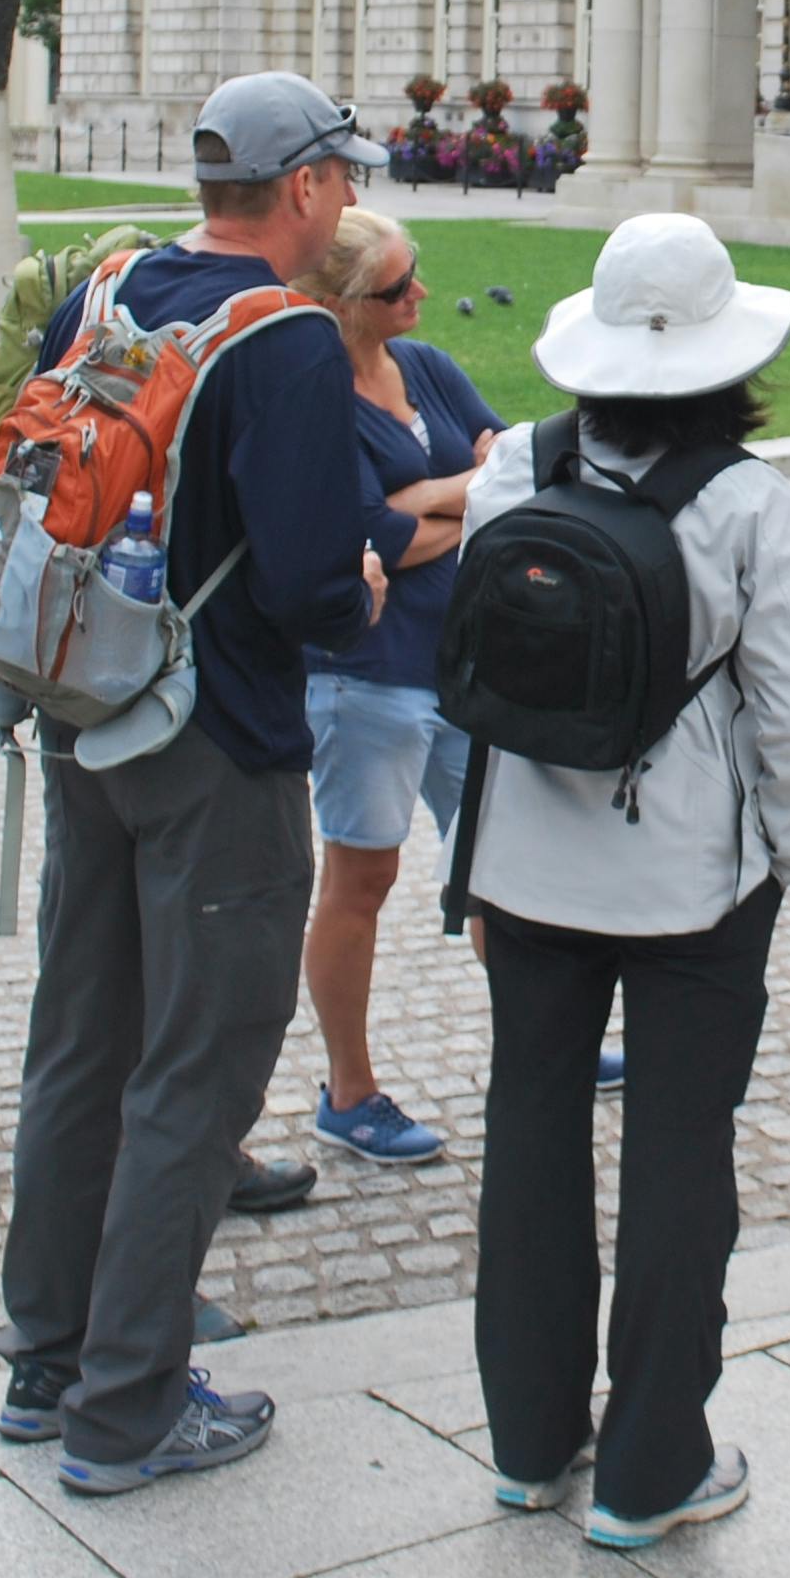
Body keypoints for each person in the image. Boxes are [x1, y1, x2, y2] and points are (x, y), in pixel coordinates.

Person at [0, 71, 392, 1495]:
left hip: (83, 703)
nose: (348, 197)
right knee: (197, 1065)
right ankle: (129, 1405)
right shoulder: (284, 340)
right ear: (298, 191)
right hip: (214, 737)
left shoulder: (105, 288)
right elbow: (300, 583)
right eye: (339, 176)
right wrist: (353, 585)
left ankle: (47, 1362)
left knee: (82, 1033)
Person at [459, 214, 790, 1550]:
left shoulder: (511, 469)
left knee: (532, 1141)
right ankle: (648, 1467)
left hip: (528, 867)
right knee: (682, 1160)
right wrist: (789, 850)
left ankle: (525, 1441)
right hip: (690, 883)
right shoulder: (744, 504)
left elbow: (485, 669)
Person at [295, 208, 507, 1168]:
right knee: (362, 879)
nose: (418, 293)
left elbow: (505, 465)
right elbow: (355, 540)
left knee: (504, 860)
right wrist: (439, 505)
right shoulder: (313, 394)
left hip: (464, 661)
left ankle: (549, 1039)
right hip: (368, 674)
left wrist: (418, 506)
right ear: (345, 307)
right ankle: (349, 1090)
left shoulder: (423, 368)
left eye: (416, 274)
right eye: (396, 287)